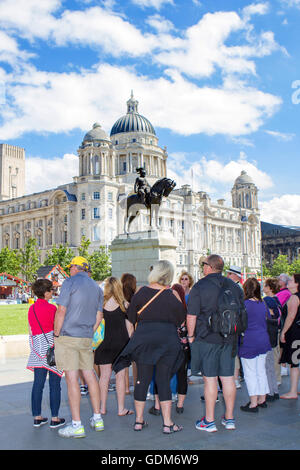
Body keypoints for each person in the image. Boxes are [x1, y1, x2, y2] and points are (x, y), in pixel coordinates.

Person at [113, 260, 186, 434]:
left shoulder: (141, 293)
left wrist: (134, 337)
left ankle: (138, 421)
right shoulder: (173, 295)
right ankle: (168, 424)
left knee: (142, 380)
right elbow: (181, 321)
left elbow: (130, 320)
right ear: (168, 275)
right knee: (163, 380)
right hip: (168, 341)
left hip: (144, 340)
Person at [187, 254, 245, 432]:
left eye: (204, 264)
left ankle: (209, 421)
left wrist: (190, 337)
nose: (202, 267)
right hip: (230, 338)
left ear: (209, 267)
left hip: (207, 338)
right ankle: (229, 419)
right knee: (228, 378)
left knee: (210, 379)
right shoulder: (234, 287)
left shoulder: (200, 286)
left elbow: (191, 316)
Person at [53, 256, 104, 438]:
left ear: (76, 267)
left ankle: (76, 425)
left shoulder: (69, 282)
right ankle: (97, 418)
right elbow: (99, 315)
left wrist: (56, 333)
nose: (70, 270)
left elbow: (61, 310)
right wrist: (89, 331)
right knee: (90, 375)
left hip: (68, 336)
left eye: (71, 267)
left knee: (72, 379)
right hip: (85, 337)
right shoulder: (96, 287)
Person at [27, 279, 65, 428]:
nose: (53, 293)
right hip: (52, 347)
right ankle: (54, 417)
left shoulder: (32, 309)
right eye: (51, 290)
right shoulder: (52, 309)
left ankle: (37, 416)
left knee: (38, 384)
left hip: (37, 348)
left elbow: (31, 328)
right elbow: (57, 327)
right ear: (46, 292)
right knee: (55, 384)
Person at [94, 276, 134, 416]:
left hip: (104, 344)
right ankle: (121, 408)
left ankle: (102, 408)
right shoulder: (125, 305)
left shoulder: (100, 304)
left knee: (104, 377)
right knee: (120, 376)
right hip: (121, 344)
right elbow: (130, 329)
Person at [239, 278, 272, 412]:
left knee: (250, 373)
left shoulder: (244, 304)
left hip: (249, 342)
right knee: (261, 371)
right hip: (263, 339)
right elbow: (268, 318)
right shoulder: (262, 303)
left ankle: (253, 403)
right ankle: (262, 398)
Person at [279, 274, 300, 399]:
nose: (289, 282)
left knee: (294, 362)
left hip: (294, 333)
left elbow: (290, 316)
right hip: (297, 331)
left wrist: (283, 332)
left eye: (291, 280)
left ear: (297, 283)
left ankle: (292, 391)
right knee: (295, 362)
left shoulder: (294, 298)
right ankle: (294, 389)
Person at [263, 278, 282, 393]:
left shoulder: (268, 300)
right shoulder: (277, 299)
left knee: (272, 356)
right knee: (276, 354)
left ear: (270, 288)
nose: (263, 287)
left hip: (271, 330)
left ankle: (275, 378)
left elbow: (269, 315)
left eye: (265, 285)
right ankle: (277, 377)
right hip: (277, 329)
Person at [120, 273, 138, 392]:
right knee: (135, 361)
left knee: (124, 362)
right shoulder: (136, 298)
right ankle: (137, 385)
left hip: (121, 332)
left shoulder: (120, 298)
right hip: (135, 332)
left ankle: (126, 387)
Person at [227, 265, 243, 389]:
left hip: (233, 323)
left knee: (233, 352)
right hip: (235, 322)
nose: (227, 276)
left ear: (235, 275)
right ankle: (235, 377)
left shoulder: (236, 288)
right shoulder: (238, 288)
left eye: (229, 274)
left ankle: (235, 378)